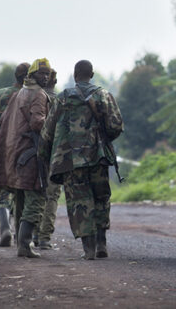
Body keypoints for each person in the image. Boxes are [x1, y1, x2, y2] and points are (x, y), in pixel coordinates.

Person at [40, 60, 124, 259]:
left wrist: (43, 156)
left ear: (75, 75)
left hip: (71, 161)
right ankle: (102, 242)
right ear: (92, 74)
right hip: (98, 158)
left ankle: (89, 249)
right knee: (101, 198)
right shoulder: (104, 95)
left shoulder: (63, 99)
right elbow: (116, 126)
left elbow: (48, 132)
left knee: (79, 201)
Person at [0, 58, 52, 258]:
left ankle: (23, 246)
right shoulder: (38, 94)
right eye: (42, 73)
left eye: (48, 73)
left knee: (21, 198)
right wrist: (54, 126)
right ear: (31, 75)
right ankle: (24, 244)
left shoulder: (21, 92)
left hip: (15, 155)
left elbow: (0, 122)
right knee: (36, 199)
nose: (45, 77)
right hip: (31, 155)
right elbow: (38, 123)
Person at [0, 62, 30, 247]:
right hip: (23, 148)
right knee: (22, 191)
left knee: (2, 191)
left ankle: (5, 228)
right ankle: (22, 235)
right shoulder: (31, 95)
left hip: (2, 146)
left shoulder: (0, 94)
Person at [36, 69, 63, 250]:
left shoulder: (34, 98)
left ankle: (30, 232)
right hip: (56, 155)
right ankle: (44, 237)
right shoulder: (61, 101)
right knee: (52, 195)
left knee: (35, 194)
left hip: (34, 153)